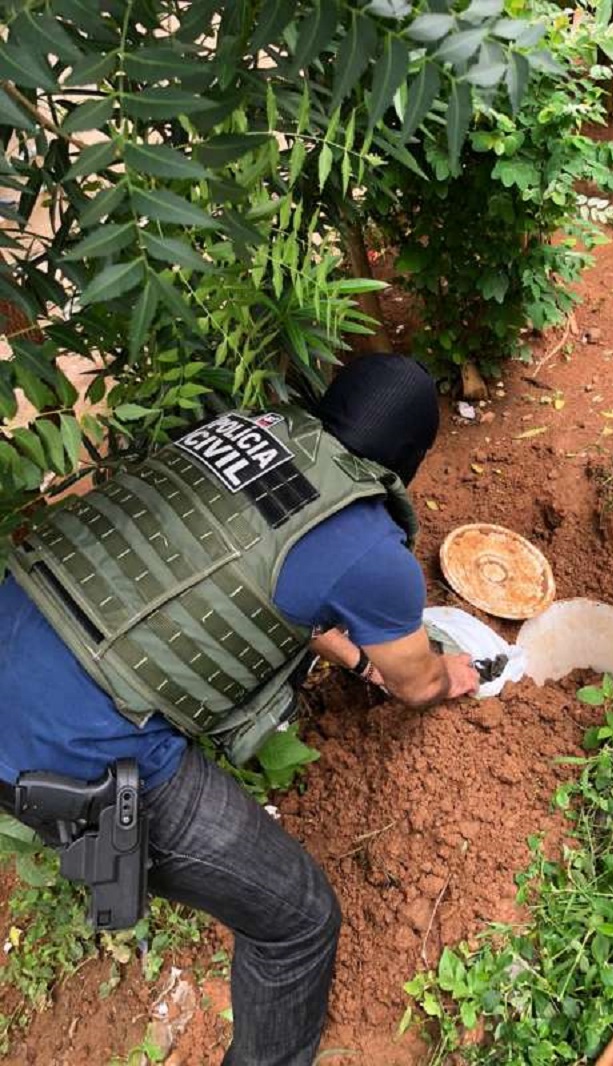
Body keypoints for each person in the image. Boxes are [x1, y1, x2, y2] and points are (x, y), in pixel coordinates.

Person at [0, 353, 479, 1066]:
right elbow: (417, 686)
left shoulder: (239, 435)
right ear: (407, 460)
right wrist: (448, 674)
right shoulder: (372, 549)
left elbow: (252, 572)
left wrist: (354, 658)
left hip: (20, 620)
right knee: (298, 920)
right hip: (80, 744)